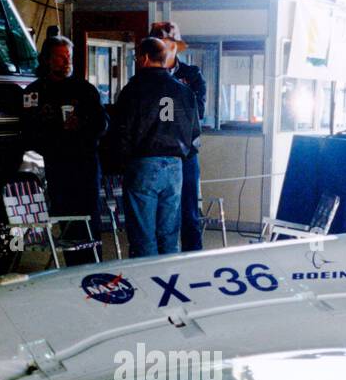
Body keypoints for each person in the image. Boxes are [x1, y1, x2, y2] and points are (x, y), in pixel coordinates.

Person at [20, 35, 108, 265]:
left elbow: (103, 125)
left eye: (68, 56)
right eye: (60, 57)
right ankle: (72, 270)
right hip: (56, 167)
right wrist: (55, 132)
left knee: (90, 222)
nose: (66, 61)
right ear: (47, 60)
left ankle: (94, 270)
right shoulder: (33, 92)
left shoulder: (85, 89)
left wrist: (82, 126)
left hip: (85, 167)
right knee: (66, 223)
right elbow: (27, 131)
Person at [112, 38, 201, 258]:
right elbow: (194, 134)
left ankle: (146, 284)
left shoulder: (133, 90)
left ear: (143, 58)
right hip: (175, 167)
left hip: (143, 164)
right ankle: (170, 278)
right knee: (169, 233)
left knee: (143, 235)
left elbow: (121, 132)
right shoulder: (184, 91)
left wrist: (122, 163)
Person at [149, 21, 207, 252]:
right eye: (158, 43)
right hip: (154, 154)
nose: (163, 47)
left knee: (189, 212)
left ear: (175, 46)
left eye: (167, 42)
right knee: (157, 217)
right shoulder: (145, 76)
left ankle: (193, 261)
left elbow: (198, 111)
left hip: (185, 154)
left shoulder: (191, 75)